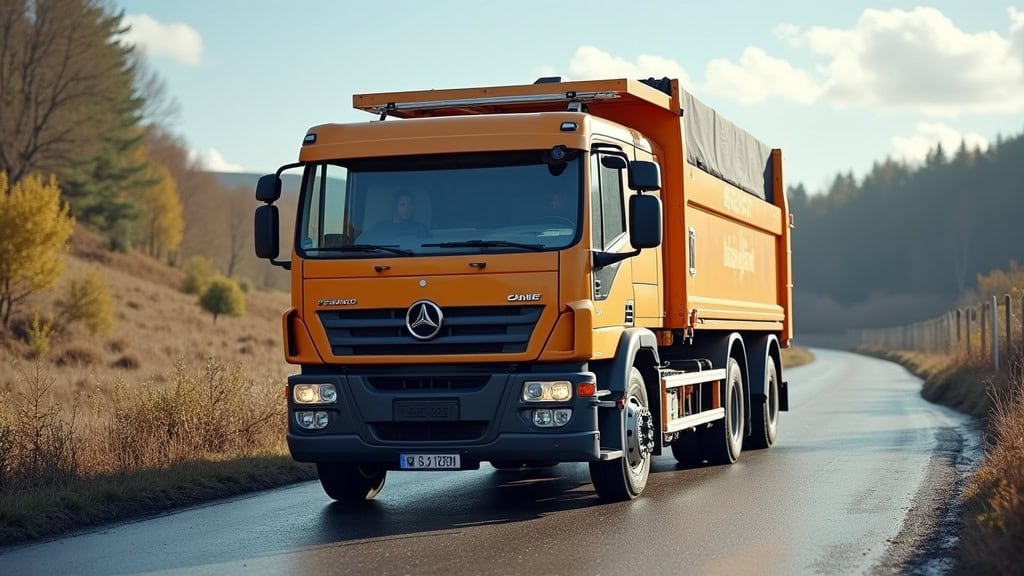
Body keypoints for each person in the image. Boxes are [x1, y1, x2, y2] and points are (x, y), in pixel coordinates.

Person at [363, 189, 429, 240]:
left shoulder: (420, 228)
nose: (406, 208)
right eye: (402, 204)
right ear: (395, 206)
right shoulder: (380, 228)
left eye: (409, 204)